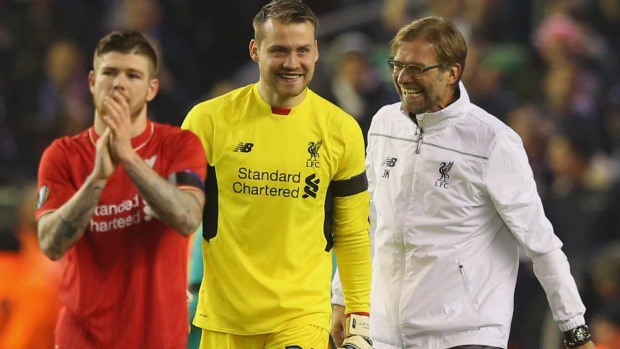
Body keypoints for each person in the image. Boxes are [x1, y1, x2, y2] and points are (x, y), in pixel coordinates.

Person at [331, 16, 596, 349]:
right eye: (396, 65)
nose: (402, 77)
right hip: (385, 333)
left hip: (466, 333)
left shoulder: (493, 142)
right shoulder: (384, 123)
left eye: (417, 68)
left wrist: (574, 330)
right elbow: (367, 221)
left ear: (452, 72)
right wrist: (342, 297)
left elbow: (541, 244)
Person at [181, 1, 372, 348]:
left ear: (316, 51)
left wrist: (359, 315)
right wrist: (170, 285)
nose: (292, 63)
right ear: (255, 50)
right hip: (225, 317)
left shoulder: (341, 130)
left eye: (302, 50)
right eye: (279, 50)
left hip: (301, 317)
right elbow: (178, 213)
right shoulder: (207, 121)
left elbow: (353, 231)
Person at [35, 30, 206, 349]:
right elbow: (50, 244)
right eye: (110, 72)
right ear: (91, 81)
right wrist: (97, 179)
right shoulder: (62, 155)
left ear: (152, 87)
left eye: (133, 75)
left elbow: (187, 218)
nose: (119, 83)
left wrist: (128, 157)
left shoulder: (179, 146)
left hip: (157, 336)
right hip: (82, 337)